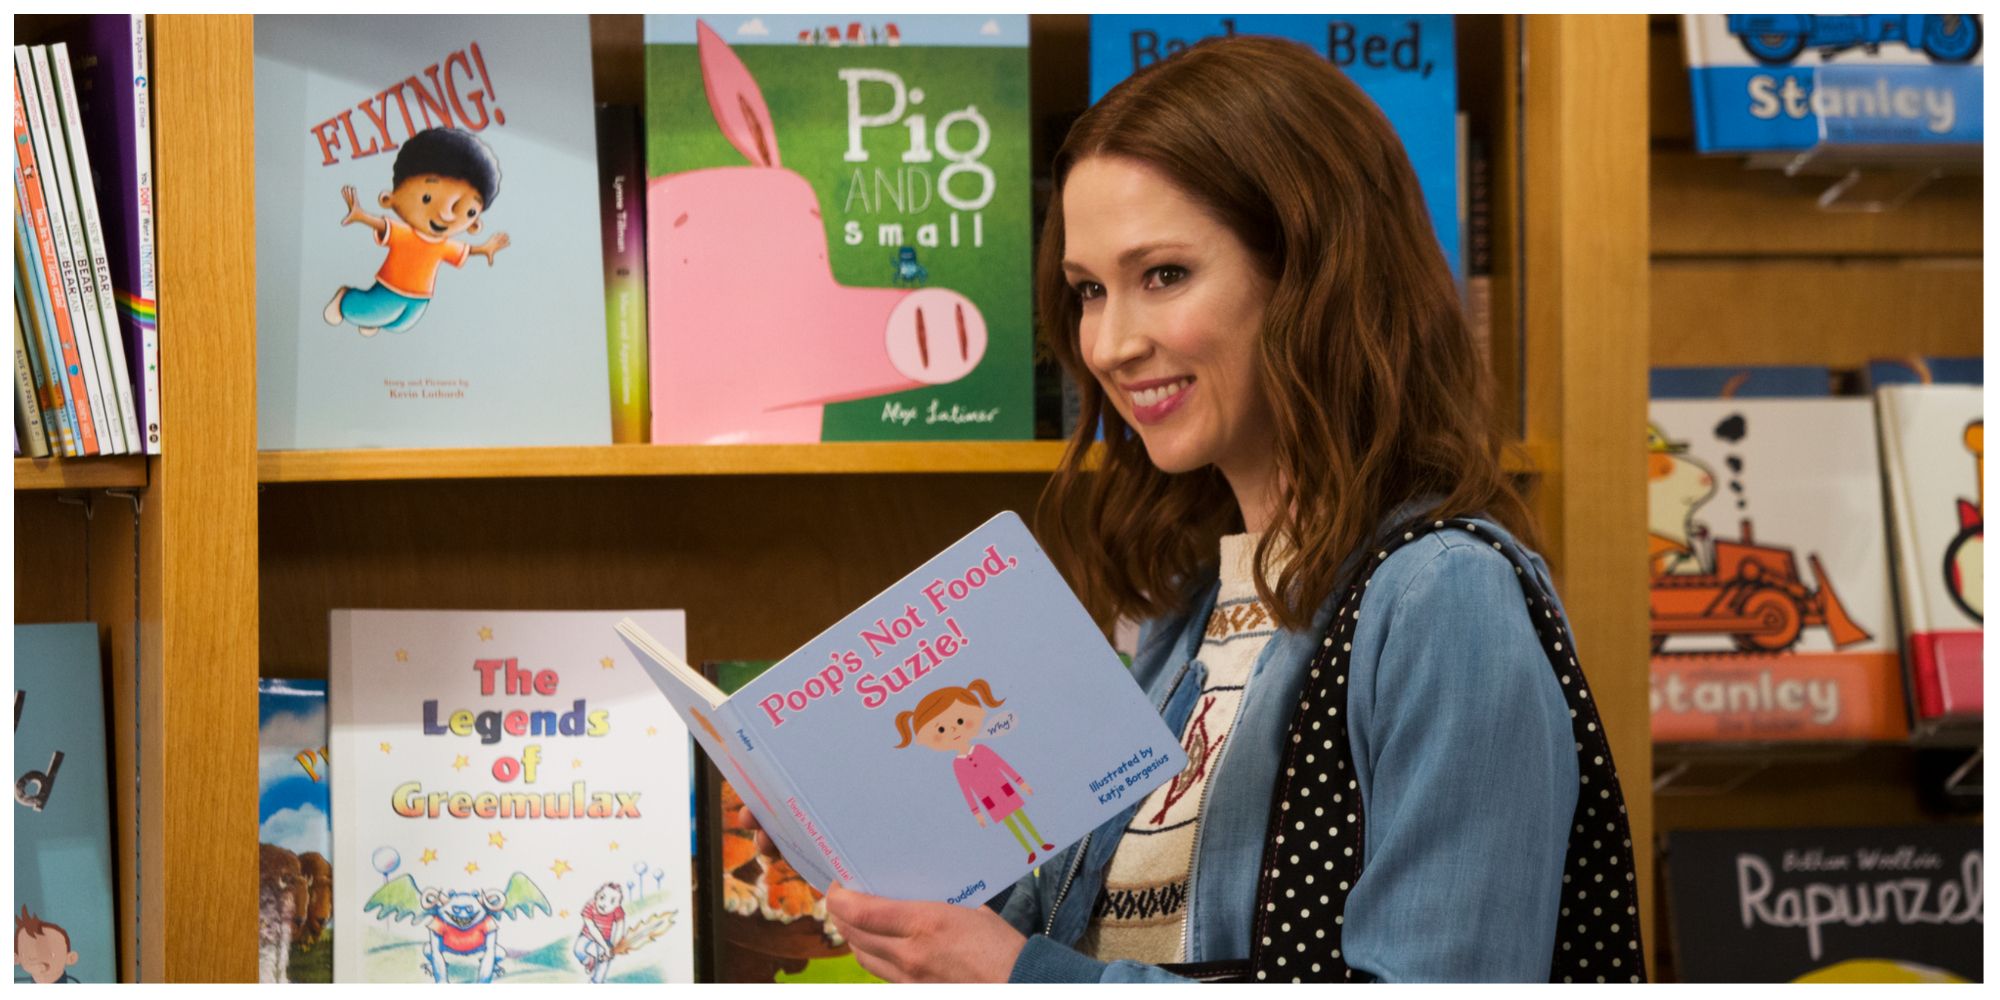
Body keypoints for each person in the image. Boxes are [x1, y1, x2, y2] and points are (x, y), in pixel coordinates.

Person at [749, 34, 1601, 982]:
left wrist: (1022, 977)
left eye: (1163, 276)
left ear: (1314, 274)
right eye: (1087, 292)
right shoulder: (1179, 610)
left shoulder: (1443, 598)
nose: (1110, 344)